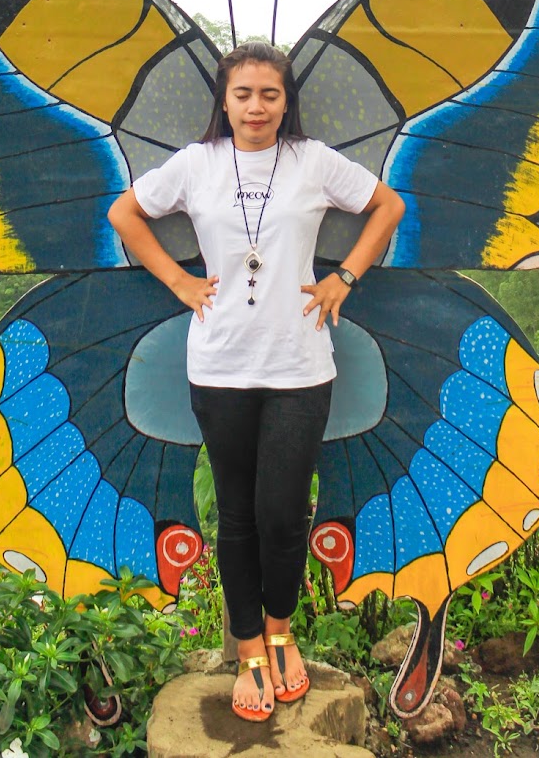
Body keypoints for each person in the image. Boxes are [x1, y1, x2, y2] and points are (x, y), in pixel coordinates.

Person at [107, 41, 404, 722]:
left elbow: (388, 207)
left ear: (285, 99)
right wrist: (179, 281)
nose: (256, 107)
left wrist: (344, 276)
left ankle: (280, 630)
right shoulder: (196, 164)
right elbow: (125, 214)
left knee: (282, 510)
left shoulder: (313, 161)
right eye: (243, 93)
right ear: (225, 98)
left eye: (270, 94)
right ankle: (247, 649)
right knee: (236, 514)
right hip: (219, 366)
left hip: (300, 366)